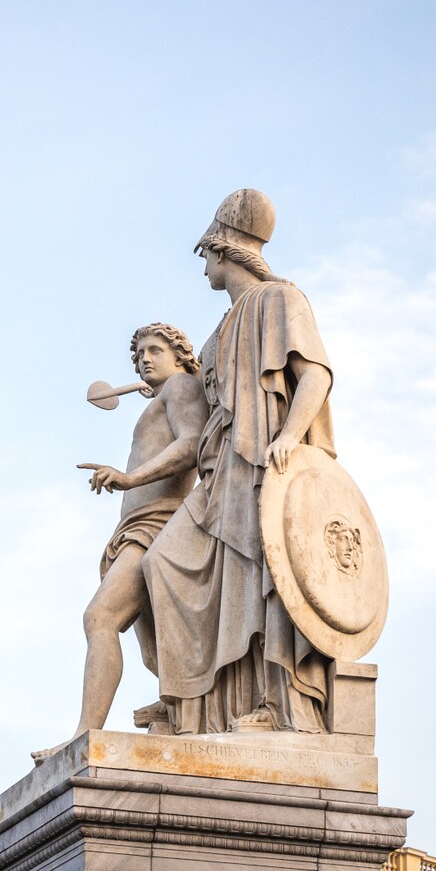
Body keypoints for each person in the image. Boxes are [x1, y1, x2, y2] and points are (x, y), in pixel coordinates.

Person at [140, 189, 335, 733]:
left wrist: (291, 437)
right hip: (219, 471)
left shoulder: (280, 301)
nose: (202, 266)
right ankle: (190, 700)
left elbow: (315, 373)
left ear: (224, 250)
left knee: (265, 576)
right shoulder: (218, 332)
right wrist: (156, 386)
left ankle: (278, 705)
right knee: (162, 564)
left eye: (205, 255)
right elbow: (196, 406)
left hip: (261, 462)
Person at [55, 323, 209, 743]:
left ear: (180, 357)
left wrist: (130, 477)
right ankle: (192, 717)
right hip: (135, 528)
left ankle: (86, 734)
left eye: (155, 350)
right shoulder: (166, 395)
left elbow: (192, 443)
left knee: (100, 617)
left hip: (157, 524)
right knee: (155, 654)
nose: (144, 358)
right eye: (139, 353)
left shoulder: (180, 387)